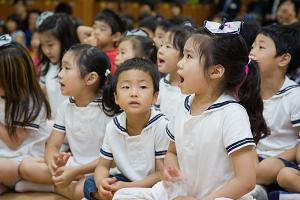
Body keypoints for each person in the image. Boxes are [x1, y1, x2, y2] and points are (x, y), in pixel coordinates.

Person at [160, 21, 268, 200]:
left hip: (221, 197)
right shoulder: (184, 104)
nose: (179, 64)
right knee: (126, 195)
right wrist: (170, 167)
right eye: (182, 56)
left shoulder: (232, 113)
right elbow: (171, 151)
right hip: (186, 193)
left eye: (188, 57)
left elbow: (246, 181)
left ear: (216, 71)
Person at [16, 44, 113, 200]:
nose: (60, 74)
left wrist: (75, 172)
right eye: (61, 68)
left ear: (90, 78)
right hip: (73, 167)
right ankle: (61, 184)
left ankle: (52, 186)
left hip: (99, 171)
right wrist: (53, 162)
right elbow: (52, 145)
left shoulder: (108, 111)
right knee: (26, 167)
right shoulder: (66, 106)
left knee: (92, 188)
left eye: (67, 69)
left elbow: (112, 159)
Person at [83, 58, 170, 200]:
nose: (134, 93)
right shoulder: (113, 126)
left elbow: (161, 174)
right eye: (126, 87)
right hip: (124, 180)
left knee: (164, 191)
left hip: (151, 184)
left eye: (142, 87)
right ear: (116, 98)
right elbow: (103, 166)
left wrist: (128, 187)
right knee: (90, 183)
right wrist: (102, 183)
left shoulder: (161, 125)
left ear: (155, 97)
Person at [249, 23, 300, 200]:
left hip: (282, 160)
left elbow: (298, 146)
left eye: (261, 47)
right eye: (253, 45)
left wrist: (279, 157)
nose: (252, 52)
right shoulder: (248, 91)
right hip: (252, 157)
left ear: (283, 59)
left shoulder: (294, 96)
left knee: (273, 168)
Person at [0, 34, 51, 194]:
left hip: (20, 161)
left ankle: (19, 182)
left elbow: (14, 142)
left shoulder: (31, 102)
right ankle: (10, 185)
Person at [37, 12, 79, 119]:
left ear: (65, 40)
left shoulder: (78, 66)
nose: (46, 50)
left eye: (50, 45)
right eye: (42, 45)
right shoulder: (46, 66)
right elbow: (43, 96)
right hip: (54, 124)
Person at [155, 25, 193, 119]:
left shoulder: (191, 92)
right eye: (161, 45)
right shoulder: (162, 83)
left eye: (168, 46)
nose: (160, 51)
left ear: (185, 55)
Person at [77, 9, 126, 74]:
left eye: (102, 29)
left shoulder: (116, 55)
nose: (96, 32)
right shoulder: (93, 43)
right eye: (94, 27)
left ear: (115, 36)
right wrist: (96, 32)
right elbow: (80, 29)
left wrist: (92, 49)